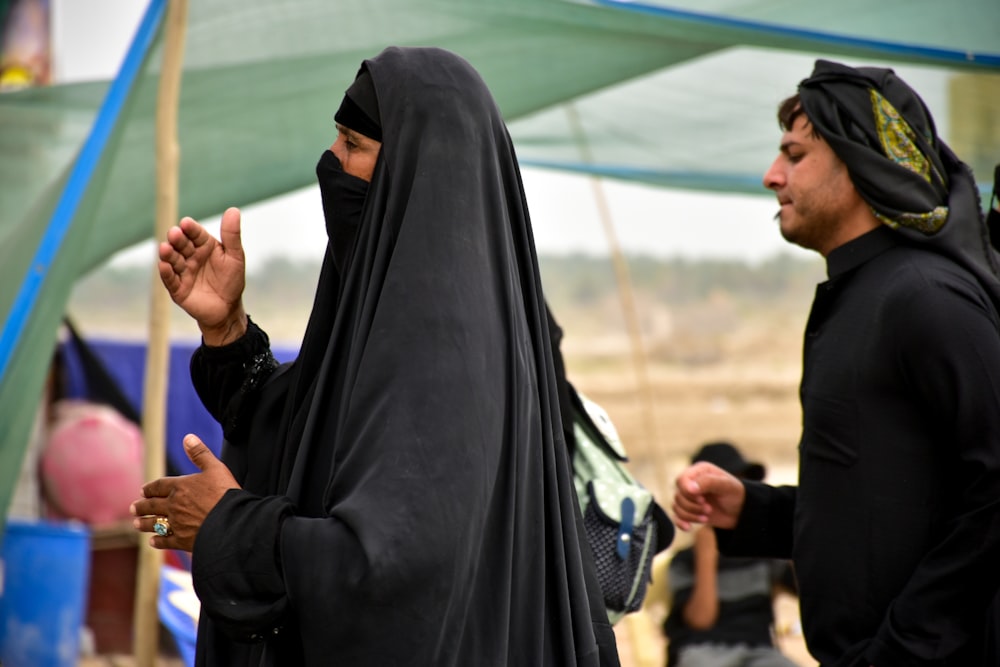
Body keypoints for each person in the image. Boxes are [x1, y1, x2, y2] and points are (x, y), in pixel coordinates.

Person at [130, 46, 619, 666]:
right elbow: (313, 440)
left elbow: (394, 573)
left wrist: (230, 527)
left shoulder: (445, 348)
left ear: (418, 168)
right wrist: (227, 330)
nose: (331, 162)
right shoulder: (391, 313)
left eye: (352, 142)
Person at [672, 59, 1000, 667]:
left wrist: (901, 651)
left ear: (860, 161)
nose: (773, 176)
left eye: (795, 156)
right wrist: (756, 509)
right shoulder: (859, 297)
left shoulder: (925, 298)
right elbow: (883, 507)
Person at [663, 442, 797, 667]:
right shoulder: (685, 561)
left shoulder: (762, 555)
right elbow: (700, 621)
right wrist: (706, 556)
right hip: (703, 649)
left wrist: (789, 537)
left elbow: (807, 589)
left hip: (758, 650)